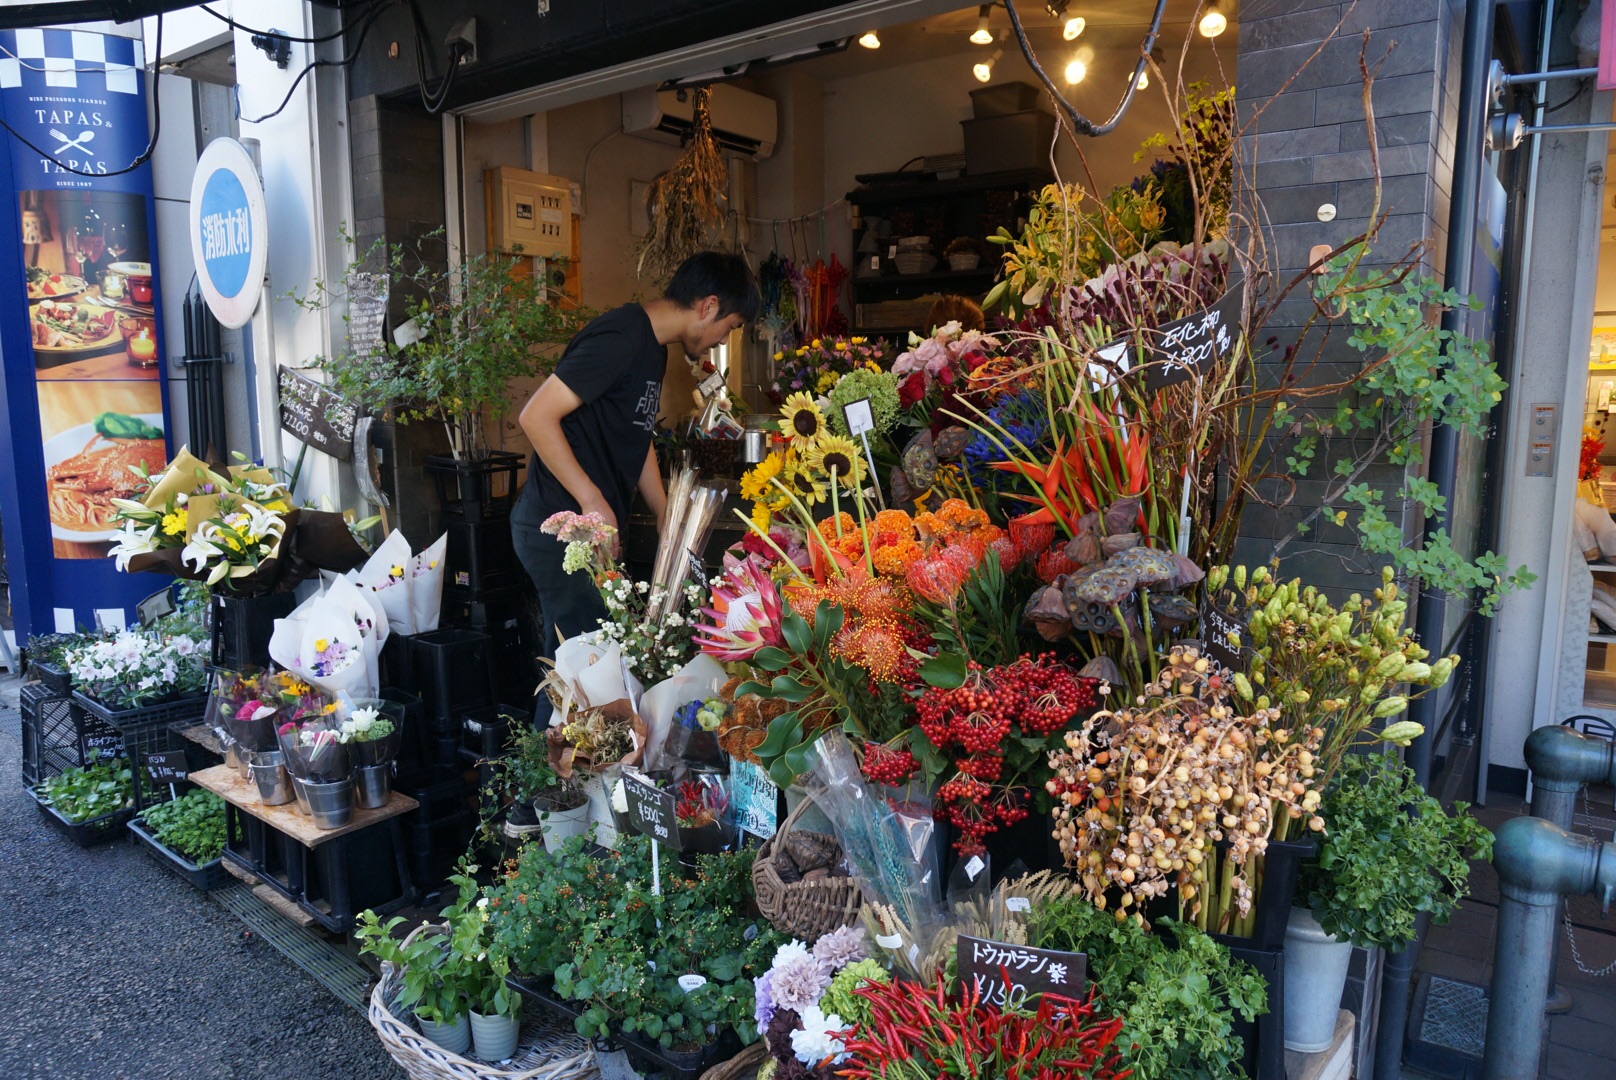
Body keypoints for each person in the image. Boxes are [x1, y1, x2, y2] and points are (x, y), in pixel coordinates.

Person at [513, 251, 759, 662]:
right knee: (582, 671)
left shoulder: (654, 347)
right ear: (709, 305)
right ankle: (549, 730)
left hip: (591, 532)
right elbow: (535, 416)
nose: (721, 341)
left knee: (595, 669)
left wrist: (664, 511)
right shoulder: (621, 338)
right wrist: (592, 502)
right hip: (558, 527)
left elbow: (637, 431)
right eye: (729, 328)